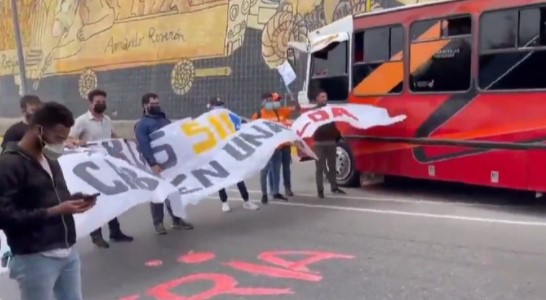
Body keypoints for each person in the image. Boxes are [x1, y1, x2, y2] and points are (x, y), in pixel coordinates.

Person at [0, 102, 96, 300]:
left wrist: (76, 202)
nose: (61, 143)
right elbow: (5, 217)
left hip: (68, 252)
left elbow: (55, 197)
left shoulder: (50, 160)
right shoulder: (9, 164)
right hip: (34, 257)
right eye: (58, 137)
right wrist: (55, 211)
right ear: (38, 129)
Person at [68, 89, 133, 248]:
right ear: (90, 103)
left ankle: (115, 232)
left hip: (107, 165)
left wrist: (126, 144)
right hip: (91, 168)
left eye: (103, 102)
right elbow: (69, 139)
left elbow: (113, 137)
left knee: (111, 198)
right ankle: (96, 234)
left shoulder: (107, 119)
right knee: (95, 201)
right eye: (98, 102)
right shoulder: (82, 121)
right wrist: (78, 143)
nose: (101, 104)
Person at [135, 92, 194, 234]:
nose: (156, 106)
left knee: (174, 192)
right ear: (145, 105)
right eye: (152, 104)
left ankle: (177, 219)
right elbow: (144, 145)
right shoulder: (142, 125)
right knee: (158, 193)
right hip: (155, 165)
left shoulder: (164, 119)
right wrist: (152, 163)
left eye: (157, 103)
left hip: (171, 164)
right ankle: (158, 223)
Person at [207, 97, 259, 212]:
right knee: (220, 179)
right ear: (210, 107)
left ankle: (246, 200)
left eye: (220, 105)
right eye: (216, 106)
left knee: (239, 177)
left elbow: (240, 123)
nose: (219, 108)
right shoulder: (207, 121)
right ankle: (224, 202)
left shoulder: (229, 116)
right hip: (217, 155)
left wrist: (250, 124)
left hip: (231, 152)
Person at [311, 89, 345, 198]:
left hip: (331, 142)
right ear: (317, 99)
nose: (325, 99)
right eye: (322, 97)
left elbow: (334, 124)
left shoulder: (330, 110)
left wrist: (337, 135)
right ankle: (320, 190)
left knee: (332, 166)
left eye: (326, 97)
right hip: (319, 143)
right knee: (319, 168)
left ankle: (334, 187)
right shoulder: (313, 112)